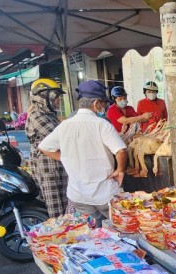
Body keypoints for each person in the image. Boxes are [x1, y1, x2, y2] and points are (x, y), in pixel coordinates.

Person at [38, 80, 127, 222]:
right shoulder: (101, 124)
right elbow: (121, 151)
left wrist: (65, 157)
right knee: (119, 229)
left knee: (91, 234)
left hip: (79, 195)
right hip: (105, 194)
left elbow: (44, 147)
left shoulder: (64, 125)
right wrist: (120, 170)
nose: (104, 107)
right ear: (96, 103)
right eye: (103, 103)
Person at [24, 78, 69, 218]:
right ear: (44, 97)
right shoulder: (37, 116)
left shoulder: (49, 115)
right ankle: (58, 237)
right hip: (48, 170)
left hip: (57, 167)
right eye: (56, 97)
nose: (58, 101)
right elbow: (60, 137)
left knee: (65, 205)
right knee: (56, 211)